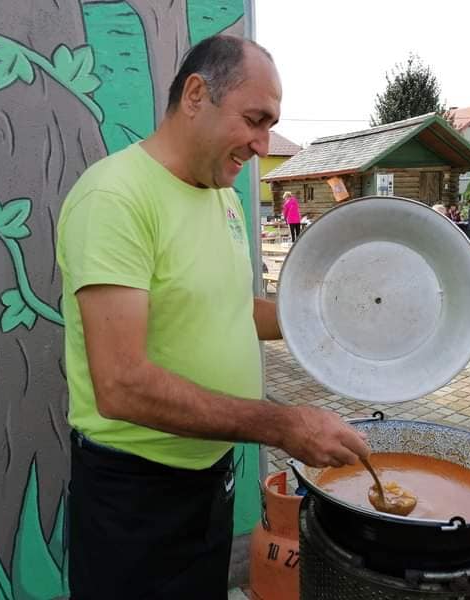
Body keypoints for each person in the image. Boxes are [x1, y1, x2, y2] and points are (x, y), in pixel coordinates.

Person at [56, 35, 369, 599]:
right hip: (135, 497)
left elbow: (230, 309)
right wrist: (283, 425)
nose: (263, 144)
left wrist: (327, 319)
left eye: (270, 125)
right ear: (196, 95)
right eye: (255, 120)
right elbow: (120, 385)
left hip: (211, 479)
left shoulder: (221, 195)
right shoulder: (114, 198)